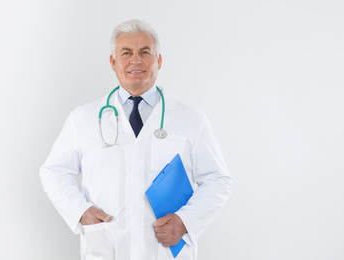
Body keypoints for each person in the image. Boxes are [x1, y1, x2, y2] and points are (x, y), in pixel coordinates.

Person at [40, 19, 232, 260]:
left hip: (163, 251)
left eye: (145, 52)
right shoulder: (82, 119)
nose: (136, 60)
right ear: (113, 62)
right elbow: (53, 171)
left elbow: (218, 180)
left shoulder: (192, 120)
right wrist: (81, 211)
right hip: (107, 248)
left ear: (159, 60)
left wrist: (186, 222)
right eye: (126, 53)